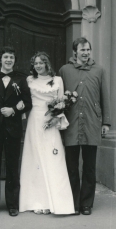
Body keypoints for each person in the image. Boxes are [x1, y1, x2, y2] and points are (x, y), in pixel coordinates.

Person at [59, 37, 111, 216]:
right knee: (71, 166)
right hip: (71, 124)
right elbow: (59, 98)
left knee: (89, 167)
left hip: (91, 123)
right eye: (82, 50)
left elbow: (105, 97)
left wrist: (106, 122)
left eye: (88, 50)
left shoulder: (99, 70)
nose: (86, 53)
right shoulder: (64, 70)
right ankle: (73, 202)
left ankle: (86, 203)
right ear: (75, 52)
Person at [19, 52, 75, 215]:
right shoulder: (29, 80)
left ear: (46, 64)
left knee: (53, 158)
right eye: (35, 63)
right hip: (35, 121)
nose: (38, 65)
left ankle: (55, 202)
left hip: (51, 122)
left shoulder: (57, 80)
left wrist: (55, 119)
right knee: (35, 158)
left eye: (41, 63)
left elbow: (61, 102)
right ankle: (37, 201)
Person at [0, 46, 32, 217]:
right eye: (6, 57)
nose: (8, 60)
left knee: (12, 167)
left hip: (12, 129)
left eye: (11, 57)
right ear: (1, 60)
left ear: (14, 60)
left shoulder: (21, 79)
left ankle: (12, 204)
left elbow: (28, 102)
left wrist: (14, 110)